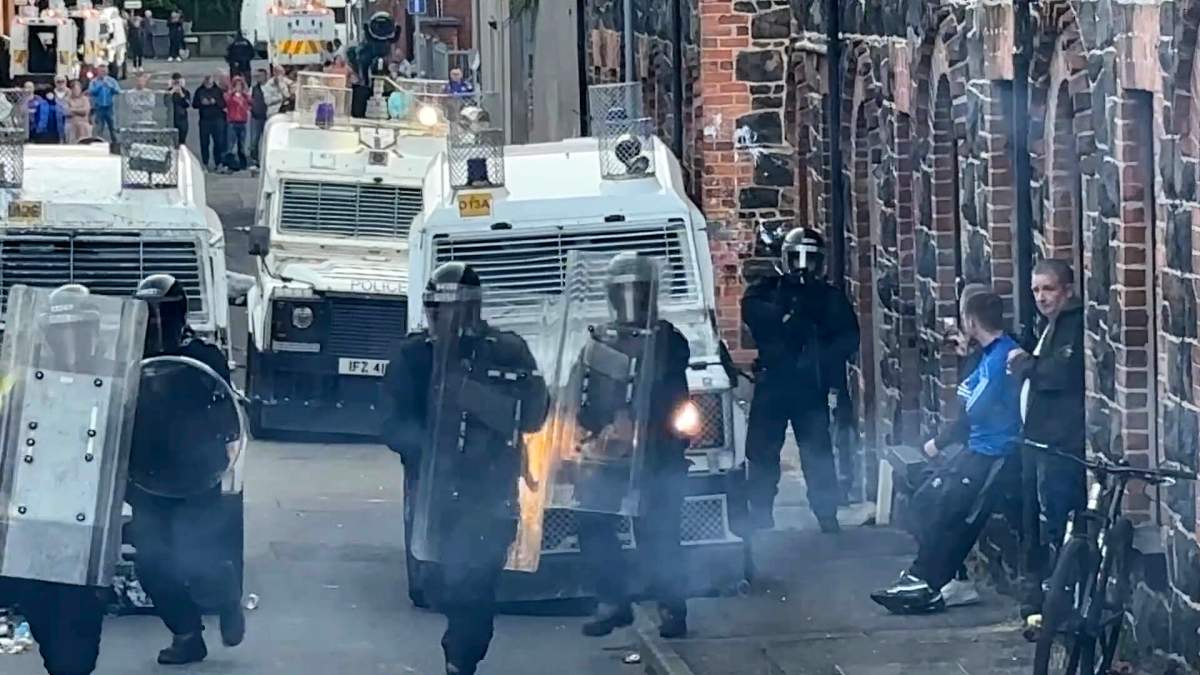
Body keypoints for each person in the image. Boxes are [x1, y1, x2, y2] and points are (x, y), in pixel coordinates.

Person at [381, 262, 549, 675]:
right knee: (440, 584)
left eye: (454, 310)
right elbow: (391, 420)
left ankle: (461, 657)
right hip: (435, 490)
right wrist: (427, 450)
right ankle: (461, 641)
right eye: (439, 309)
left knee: (476, 580)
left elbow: (533, 414)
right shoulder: (415, 356)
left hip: (490, 488)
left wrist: (482, 402)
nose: (446, 319)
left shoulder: (506, 350)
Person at [870, 291, 1022, 614]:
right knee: (931, 503)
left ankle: (928, 580)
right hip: (977, 449)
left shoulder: (1000, 358)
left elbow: (973, 408)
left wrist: (938, 443)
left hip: (991, 453)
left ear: (970, 320)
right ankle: (938, 576)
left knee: (947, 511)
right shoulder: (986, 353)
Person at [126, 274, 246, 665]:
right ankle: (186, 634)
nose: (156, 324)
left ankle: (225, 597)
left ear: (178, 315)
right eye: (149, 315)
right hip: (146, 477)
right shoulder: (125, 356)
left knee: (201, 555)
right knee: (152, 562)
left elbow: (223, 405)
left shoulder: (202, 355)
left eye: (162, 315)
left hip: (196, 473)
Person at [573, 252, 693, 640]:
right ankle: (612, 600)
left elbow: (666, 383)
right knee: (591, 520)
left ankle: (672, 607)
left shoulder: (668, 340)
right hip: (613, 455)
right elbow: (585, 398)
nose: (631, 300)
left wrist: (644, 420)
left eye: (639, 292)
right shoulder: (598, 342)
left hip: (658, 452)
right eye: (623, 292)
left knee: (659, 532)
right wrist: (598, 425)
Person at [0, 285, 117, 675]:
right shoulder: (21, 380)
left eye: (80, 332)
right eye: (61, 333)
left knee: (77, 646)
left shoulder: (116, 383)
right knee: (45, 622)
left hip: (87, 527)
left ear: (94, 333)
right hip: (32, 523)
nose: (71, 344)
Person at [741, 227, 860, 533]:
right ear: (785, 259)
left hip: (810, 386)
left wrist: (823, 359)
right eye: (797, 258)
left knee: (817, 452)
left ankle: (826, 514)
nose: (803, 266)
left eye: (810, 259)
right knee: (763, 451)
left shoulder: (828, 298)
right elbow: (752, 310)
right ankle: (760, 512)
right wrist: (785, 315)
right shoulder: (767, 290)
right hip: (774, 382)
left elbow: (848, 336)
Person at [1006, 259, 1086, 618]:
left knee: (1060, 522)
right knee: (1040, 523)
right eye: (1036, 290)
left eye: (1048, 289)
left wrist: (1024, 364)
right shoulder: (1048, 326)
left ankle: (1064, 603)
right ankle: (1045, 599)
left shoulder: (1072, 327)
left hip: (1061, 443)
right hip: (1039, 441)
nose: (1041, 297)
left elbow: (1058, 375)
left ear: (1067, 291)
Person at [192, 74, 226, 170]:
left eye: (209, 82)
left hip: (217, 120)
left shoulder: (218, 90)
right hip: (204, 120)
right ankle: (205, 163)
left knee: (218, 142)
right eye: (206, 82)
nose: (208, 83)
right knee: (204, 143)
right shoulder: (199, 90)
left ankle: (218, 162)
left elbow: (223, 104)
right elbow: (194, 104)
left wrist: (215, 102)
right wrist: (201, 102)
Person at [249, 68, 276, 165]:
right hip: (256, 117)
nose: (258, 78)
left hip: (268, 117)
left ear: (266, 76)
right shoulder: (253, 89)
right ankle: (254, 161)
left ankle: (267, 160)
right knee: (253, 141)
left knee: (268, 140)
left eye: (260, 76)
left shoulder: (272, 88)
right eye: (256, 76)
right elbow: (249, 101)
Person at [87, 64, 121, 142]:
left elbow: (118, 91)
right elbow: (91, 92)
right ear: (98, 72)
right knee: (99, 128)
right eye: (101, 71)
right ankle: (99, 146)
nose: (103, 73)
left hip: (109, 107)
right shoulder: (94, 81)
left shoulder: (112, 81)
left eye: (105, 71)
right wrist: (100, 86)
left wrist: (110, 87)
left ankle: (115, 145)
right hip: (99, 107)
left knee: (113, 128)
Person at [224, 75, 251, 171]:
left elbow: (251, 101)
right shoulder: (230, 95)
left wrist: (245, 93)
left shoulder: (244, 96)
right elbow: (226, 100)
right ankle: (230, 164)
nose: (238, 87)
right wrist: (232, 91)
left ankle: (243, 164)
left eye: (240, 85)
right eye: (236, 84)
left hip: (242, 122)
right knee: (231, 145)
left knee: (242, 145)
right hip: (232, 122)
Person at [167, 73, 190, 145]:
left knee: (182, 141)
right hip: (171, 119)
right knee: (172, 141)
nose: (177, 84)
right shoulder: (169, 92)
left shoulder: (185, 92)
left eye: (178, 82)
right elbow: (166, 102)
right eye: (175, 82)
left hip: (182, 119)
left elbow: (187, 104)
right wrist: (172, 91)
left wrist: (181, 94)